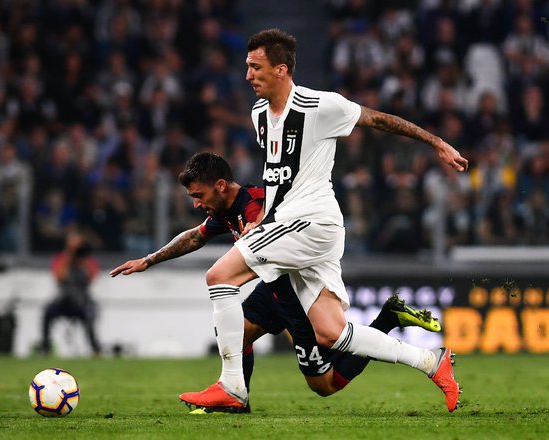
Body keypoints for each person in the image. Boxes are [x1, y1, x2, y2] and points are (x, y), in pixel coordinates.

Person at [178, 29, 468, 413]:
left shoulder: (319, 106)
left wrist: (438, 144)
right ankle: (432, 362)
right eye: (247, 66)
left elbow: (379, 120)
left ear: (281, 69)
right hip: (291, 226)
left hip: (312, 223)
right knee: (330, 333)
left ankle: (232, 386)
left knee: (219, 276)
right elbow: (278, 179)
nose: (247, 75)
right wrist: (264, 221)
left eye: (255, 67)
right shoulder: (259, 115)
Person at [110, 152, 442, 413]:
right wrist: (149, 260)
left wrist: (257, 229)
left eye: (199, 195)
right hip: (271, 292)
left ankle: (388, 319)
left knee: (325, 385)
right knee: (234, 333)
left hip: (299, 297)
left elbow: (265, 214)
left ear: (221, 185)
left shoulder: (255, 200)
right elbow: (195, 238)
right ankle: (238, 399)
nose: (197, 204)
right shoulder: (223, 211)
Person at [41, 229, 101, 356]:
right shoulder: (60, 258)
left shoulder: (88, 259)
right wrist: (69, 257)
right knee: (47, 312)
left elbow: (92, 277)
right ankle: (45, 347)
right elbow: (59, 278)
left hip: (82, 300)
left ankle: (95, 348)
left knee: (91, 313)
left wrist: (81, 260)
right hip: (64, 300)